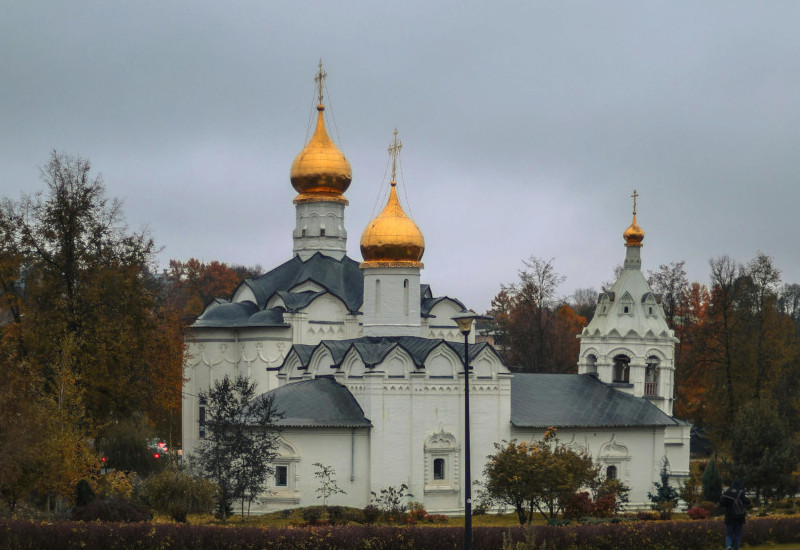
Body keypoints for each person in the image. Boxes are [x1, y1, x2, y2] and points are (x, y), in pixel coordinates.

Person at [719, 479, 749, 550]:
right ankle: (735, 548)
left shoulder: (727, 492)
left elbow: (721, 502)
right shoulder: (741, 492)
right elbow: (747, 502)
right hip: (739, 518)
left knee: (729, 534)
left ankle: (728, 546)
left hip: (729, 517)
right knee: (737, 535)